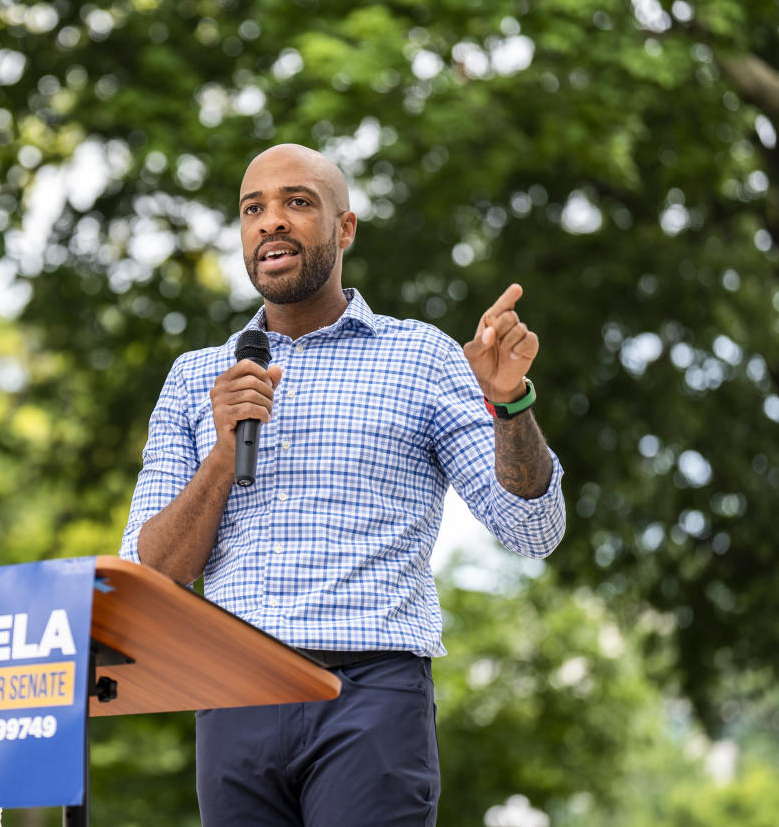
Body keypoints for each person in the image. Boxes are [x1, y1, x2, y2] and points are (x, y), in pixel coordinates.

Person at [118, 144, 566, 826]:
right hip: (233, 693)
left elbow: (534, 528)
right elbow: (156, 574)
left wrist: (510, 405)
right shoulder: (194, 378)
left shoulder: (421, 357)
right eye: (253, 209)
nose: (272, 222)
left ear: (345, 228)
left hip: (370, 697)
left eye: (297, 202)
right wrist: (220, 450)